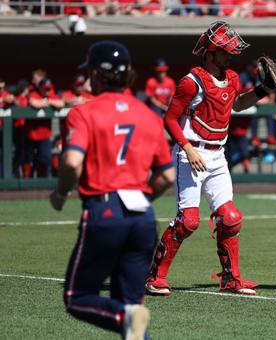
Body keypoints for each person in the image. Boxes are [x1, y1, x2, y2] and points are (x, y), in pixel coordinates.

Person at [48, 40, 175, 340]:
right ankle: (130, 318)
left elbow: (71, 161)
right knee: (133, 306)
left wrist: (61, 193)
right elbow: (167, 175)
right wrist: (142, 198)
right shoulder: (148, 115)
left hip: (104, 211)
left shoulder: (83, 113)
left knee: (77, 297)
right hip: (142, 214)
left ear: (96, 74)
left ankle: (126, 317)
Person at [146, 21, 269, 297]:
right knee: (188, 221)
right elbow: (169, 119)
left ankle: (231, 279)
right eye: (224, 52)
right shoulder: (191, 82)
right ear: (210, 53)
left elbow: (237, 104)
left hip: (217, 155)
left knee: (231, 217)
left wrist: (262, 90)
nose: (229, 57)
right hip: (191, 153)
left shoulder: (232, 78)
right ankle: (154, 277)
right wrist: (188, 148)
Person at [26, 78, 64, 178]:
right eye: (45, 89)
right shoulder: (34, 93)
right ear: (40, 88)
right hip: (31, 134)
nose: (47, 91)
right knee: (29, 161)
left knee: (45, 159)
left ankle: (40, 183)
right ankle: (26, 185)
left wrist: (47, 101)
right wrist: (45, 102)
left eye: (49, 88)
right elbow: (34, 103)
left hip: (45, 135)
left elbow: (61, 103)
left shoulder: (50, 95)